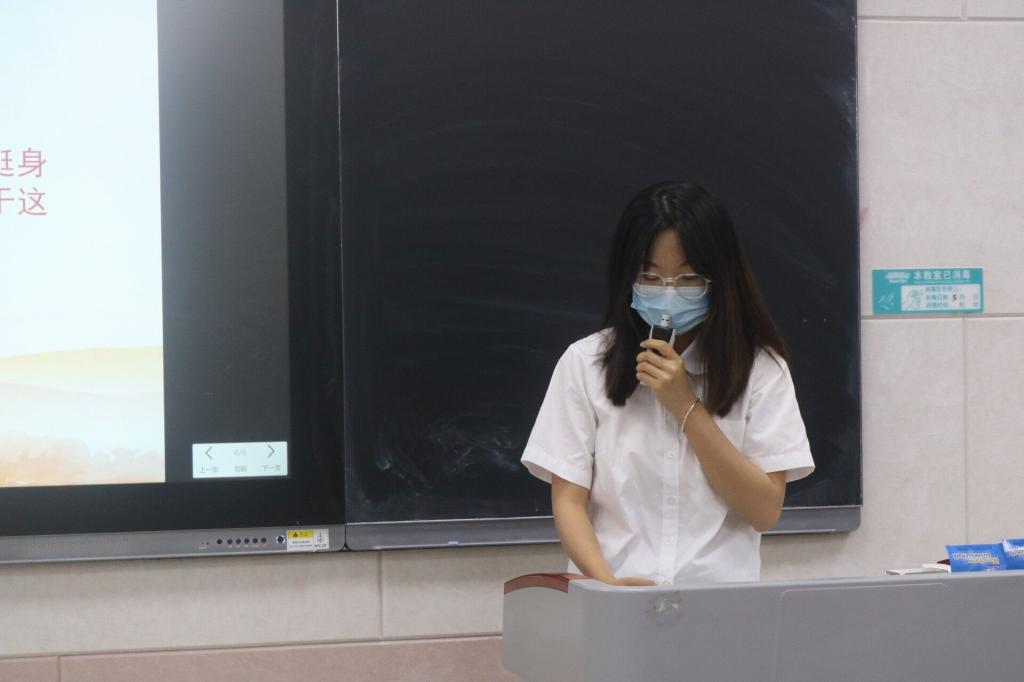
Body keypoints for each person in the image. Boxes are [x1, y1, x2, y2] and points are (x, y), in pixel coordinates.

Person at [521, 181, 814, 586]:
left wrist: (685, 406)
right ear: (628, 276)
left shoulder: (760, 370)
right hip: (613, 597)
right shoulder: (585, 363)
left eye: (688, 279)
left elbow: (764, 511)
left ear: (720, 278)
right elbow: (569, 502)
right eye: (650, 277)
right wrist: (609, 585)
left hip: (719, 605)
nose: (668, 294)